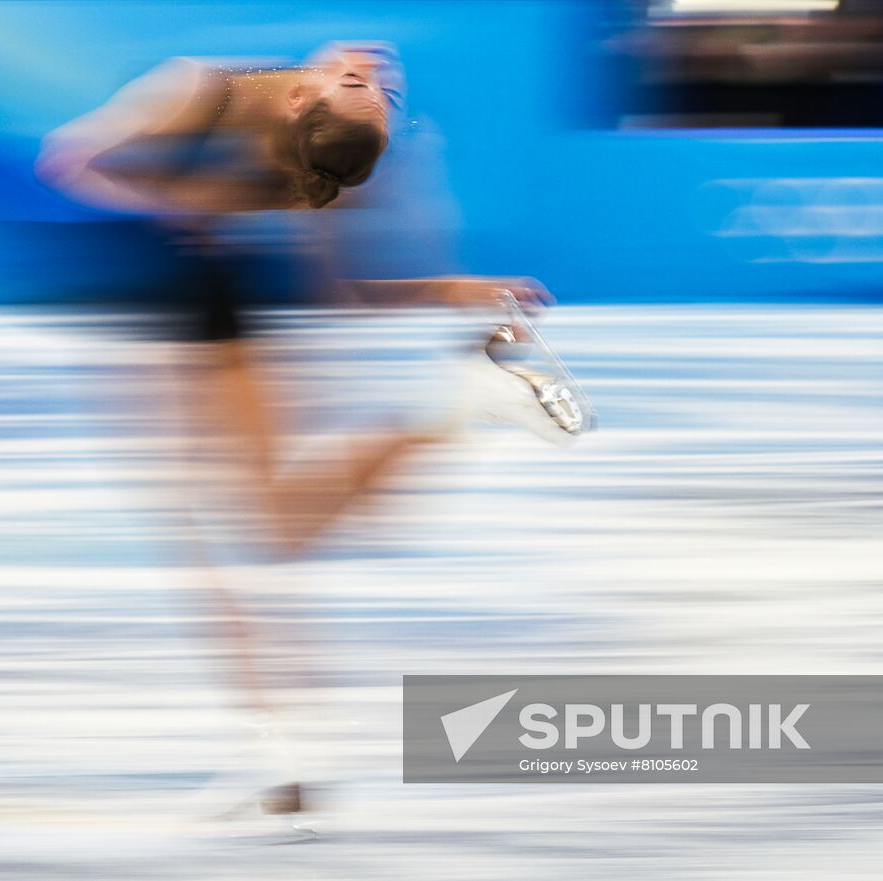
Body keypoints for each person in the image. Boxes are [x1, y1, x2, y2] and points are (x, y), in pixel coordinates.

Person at [36, 42, 577, 828]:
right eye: (374, 87)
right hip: (187, 281)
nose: (377, 69)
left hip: (169, 289)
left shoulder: (210, 94)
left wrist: (180, 210)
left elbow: (69, 159)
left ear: (301, 101)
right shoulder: (276, 128)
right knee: (277, 527)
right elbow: (79, 166)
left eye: (367, 84)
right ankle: (460, 408)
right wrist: (193, 209)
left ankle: (281, 746)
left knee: (207, 540)